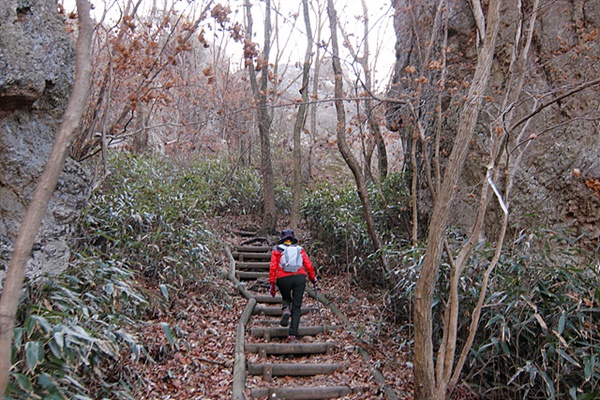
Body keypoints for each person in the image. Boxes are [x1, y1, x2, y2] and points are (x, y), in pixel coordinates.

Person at [269, 229, 317, 343]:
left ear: (282, 239)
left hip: (283, 278)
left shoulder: (277, 250)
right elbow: (308, 264)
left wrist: (272, 284)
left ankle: (285, 309)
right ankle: (292, 336)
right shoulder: (299, 249)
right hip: (299, 277)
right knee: (296, 307)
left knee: (286, 297)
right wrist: (313, 278)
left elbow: (273, 267)